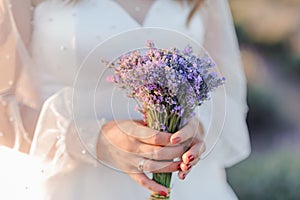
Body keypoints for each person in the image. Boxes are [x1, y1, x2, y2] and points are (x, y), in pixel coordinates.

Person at [0, 0, 251, 199]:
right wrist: (93, 140)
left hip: (186, 184)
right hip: (67, 183)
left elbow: (223, 88)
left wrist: (195, 129)